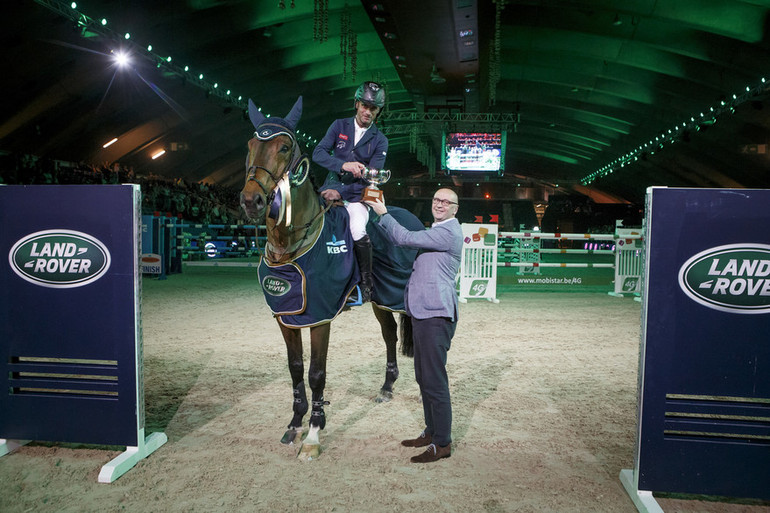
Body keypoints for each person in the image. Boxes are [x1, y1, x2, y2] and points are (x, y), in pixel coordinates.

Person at [365, 188, 463, 463]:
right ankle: (431, 432)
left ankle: (442, 443)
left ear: (455, 208)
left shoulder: (447, 232)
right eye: (436, 200)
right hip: (423, 313)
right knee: (423, 377)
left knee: (434, 382)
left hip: (436, 315)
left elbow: (403, 237)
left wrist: (382, 212)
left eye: (446, 201)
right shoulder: (438, 230)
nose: (440, 204)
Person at [312, 81, 388, 302]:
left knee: (356, 229)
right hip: (329, 188)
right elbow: (318, 153)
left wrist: (343, 193)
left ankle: (365, 285)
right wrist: (342, 165)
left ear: (378, 111)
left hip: (357, 197)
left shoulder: (380, 140)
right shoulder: (338, 126)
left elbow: (373, 175)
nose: (367, 111)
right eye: (364, 105)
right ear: (356, 104)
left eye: (373, 108)